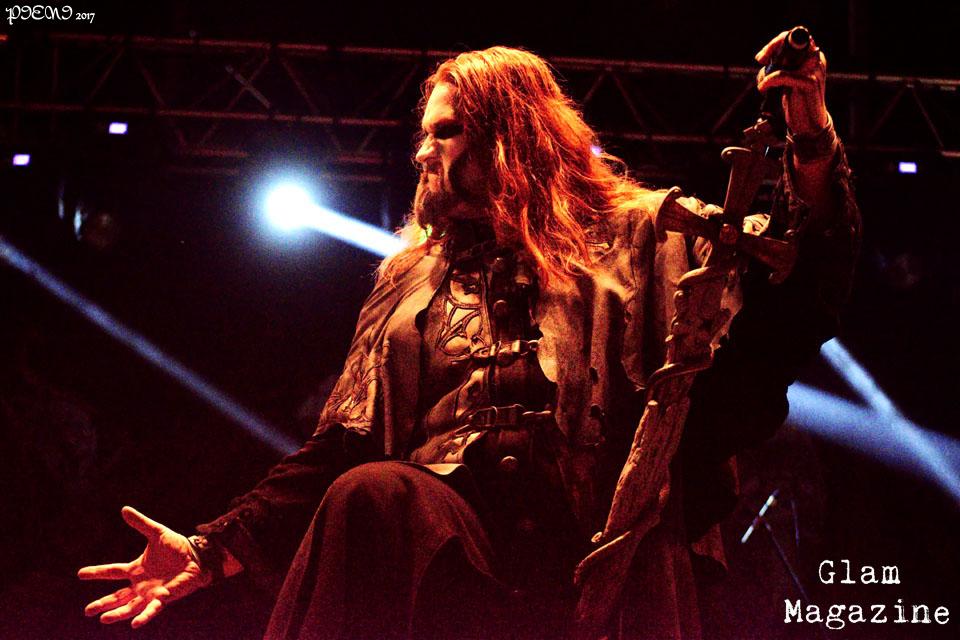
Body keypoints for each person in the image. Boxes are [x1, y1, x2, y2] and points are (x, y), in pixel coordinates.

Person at [78, 32, 860, 640]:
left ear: (508, 136)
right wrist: (212, 549)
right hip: (451, 561)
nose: (421, 152)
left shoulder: (641, 235)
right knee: (370, 492)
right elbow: (339, 449)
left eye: (444, 132)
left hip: (595, 558)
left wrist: (813, 145)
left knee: (379, 494)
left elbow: (797, 296)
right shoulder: (409, 278)